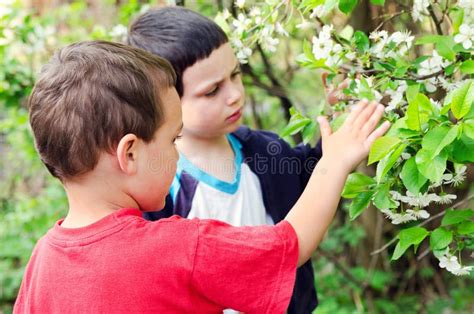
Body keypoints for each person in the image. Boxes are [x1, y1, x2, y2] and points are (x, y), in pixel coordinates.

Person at [14, 40, 390, 313]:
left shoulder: (42, 262)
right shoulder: (178, 247)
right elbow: (290, 245)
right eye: (172, 138)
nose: (177, 153)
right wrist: (336, 162)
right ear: (129, 153)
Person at [127, 7, 328, 312]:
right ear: (166, 102)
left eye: (235, 74)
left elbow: (308, 184)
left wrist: (336, 125)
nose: (234, 94)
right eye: (212, 91)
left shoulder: (262, 150)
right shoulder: (162, 188)